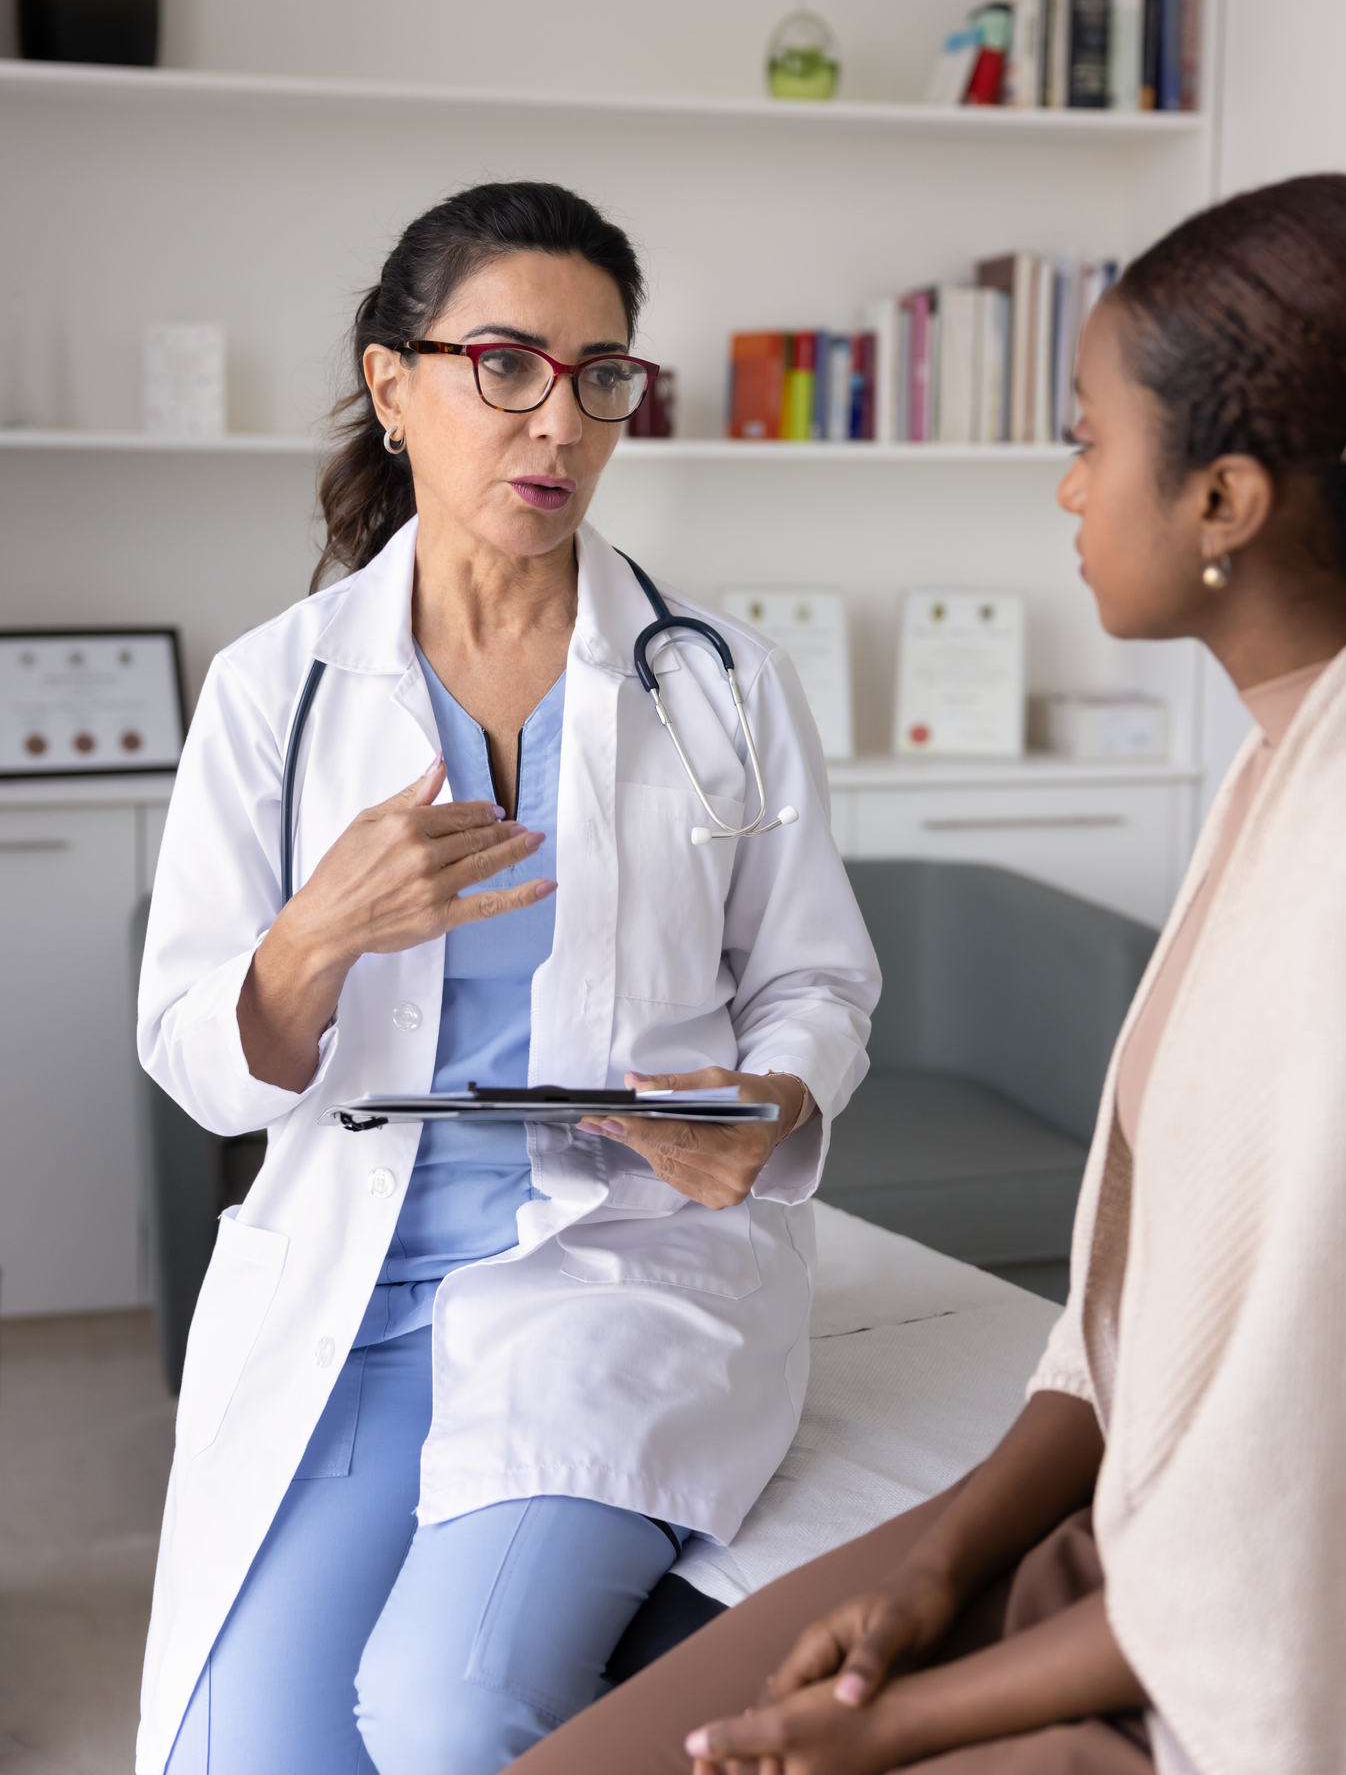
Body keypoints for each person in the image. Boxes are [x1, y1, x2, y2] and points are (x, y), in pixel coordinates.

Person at [498, 172, 1346, 1775]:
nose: (1065, 491)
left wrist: (895, 1720)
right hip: (1130, 1552)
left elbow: (1284, 1524)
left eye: (1086, 438)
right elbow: (1129, 1325)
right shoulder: (1294, 757)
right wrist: (935, 1565)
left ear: (1223, 502)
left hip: (1240, 1661)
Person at [135, 180, 880, 1775]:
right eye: (505, 363)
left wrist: (765, 1099)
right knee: (250, 1753)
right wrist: (315, 936)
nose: (558, 418)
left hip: (618, 1269)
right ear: (392, 383)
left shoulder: (719, 679)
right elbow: (194, 1051)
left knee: (446, 1706)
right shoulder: (274, 690)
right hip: (352, 1283)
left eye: (601, 373)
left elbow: (816, 976)